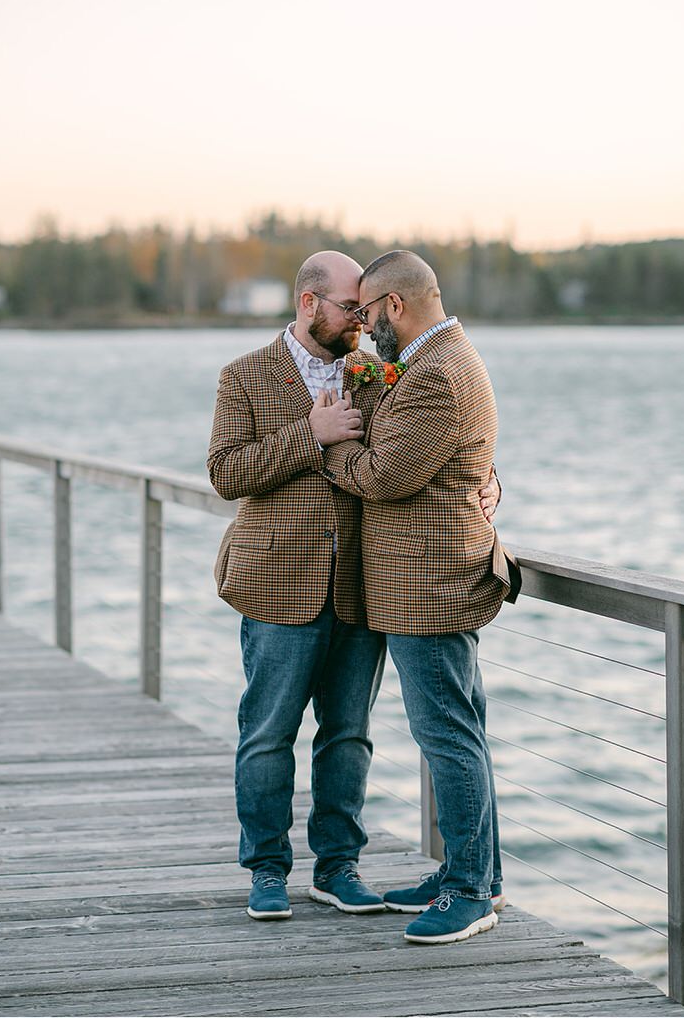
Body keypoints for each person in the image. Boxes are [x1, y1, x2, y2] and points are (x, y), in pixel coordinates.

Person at [208, 250, 501, 921]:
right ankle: (267, 870)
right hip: (278, 584)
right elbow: (226, 473)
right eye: (349, 309)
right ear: (310, 303)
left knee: (348, 737)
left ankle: (338, 868)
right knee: (266, 734)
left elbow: (441, 439)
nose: (361, 326)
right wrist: (309, 435)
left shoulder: (378, 371)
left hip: (365, 588)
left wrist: (486, 481)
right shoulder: (244, 376)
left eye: (365, 311)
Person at [311, 249, 510, 945]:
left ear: (394, 305)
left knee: (447, 738)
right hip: (428, 577)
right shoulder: (438, 361)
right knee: (460, 733)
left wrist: (329, 444)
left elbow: (386, 475)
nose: (364, 329)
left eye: (367, 313)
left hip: (428, 584)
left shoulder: (436, 374)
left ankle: (468, 892)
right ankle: (473, 871)